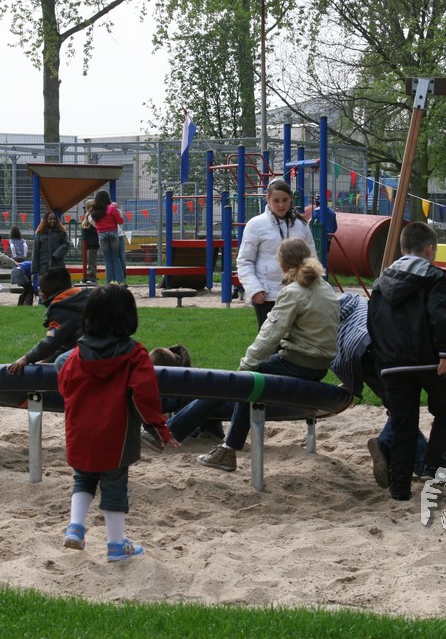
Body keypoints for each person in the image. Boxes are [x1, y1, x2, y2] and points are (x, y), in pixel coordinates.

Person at [158, 237, 338, 472]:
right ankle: (226, 448)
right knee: (245, 385)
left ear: (282, 264)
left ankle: (169, 432)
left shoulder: (294, 292)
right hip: (319, 366)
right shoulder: (324, 288)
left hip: (297, 364)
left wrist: (246, 365)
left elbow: (269, 335)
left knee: (236, 383)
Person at [54, 283, 177, 562]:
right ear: (128, 317)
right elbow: (145, 396)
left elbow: (63, 379)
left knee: (83, 477)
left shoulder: (74, 356)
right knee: (114, 485)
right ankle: (116, 545)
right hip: (116, 435)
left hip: (80, 432)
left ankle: (75, 528)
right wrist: (159, 427)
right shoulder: (135, 355)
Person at [367, 221, 446, 501]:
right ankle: (433, 466)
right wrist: (444, 352)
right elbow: (438, 316)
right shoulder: (434, 276)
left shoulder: (381, 282)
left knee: (403, 424)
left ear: (402, 249)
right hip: (428, 361)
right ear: (430, 250)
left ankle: (400, 489)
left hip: (392, 364)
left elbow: (373, 323)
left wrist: (383, 360)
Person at [330, 292, 428, 488]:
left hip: (356, 359)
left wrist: (349, 381)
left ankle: (421, 463)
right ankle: (392, 448)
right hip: (377, 349)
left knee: (399, 407)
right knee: (404, 407)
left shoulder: (328, 317)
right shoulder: (358, 302)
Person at [237, 178, 317, 328]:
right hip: (267, 295)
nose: (281, 205)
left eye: (285, 200)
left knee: (298, 337)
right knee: (270, 338)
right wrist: (254, 289)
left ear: (290, 199)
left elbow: (311, 258)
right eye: (276, 200)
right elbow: (244, 261)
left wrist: (312, 286)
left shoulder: (301, 224)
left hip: (298, 293)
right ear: (268, 199)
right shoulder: (255, 225)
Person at [7, 267, 92, 372]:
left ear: (43, 295)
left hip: (92, 350)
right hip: (96, 344)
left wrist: (27, 358)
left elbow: (52, 341)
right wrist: (46, 359)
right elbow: (66, 342)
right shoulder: (81, 297)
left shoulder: (62, 308)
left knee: (61, 362)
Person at [90, 190, 125, 284]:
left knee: (107, 260)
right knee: (115, 258)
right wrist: (117, 212)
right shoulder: (111, 208)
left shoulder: (94, 211)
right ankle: (120, 281)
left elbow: (93, 222)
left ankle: (109, 282)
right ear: (107, 198)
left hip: (102, 235)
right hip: (113, 234)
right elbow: (121, 221)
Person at [32, 210, 70, 279]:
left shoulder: (61, 232)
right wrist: (34, 269)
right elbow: (36, 251)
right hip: (44, 268)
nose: (52, 221)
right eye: (50, 219)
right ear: (46, 220)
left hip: (58, 266)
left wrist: (56, 255)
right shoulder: (40, 233)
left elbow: (66, 244)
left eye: (54, 219)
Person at [81, 201, 99, 283]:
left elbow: (92, 228)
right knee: (88, 260)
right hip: (88, 243)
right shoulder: (88, 216)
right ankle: (88, 276)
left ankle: (92, 276)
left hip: (93, 243)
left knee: (91, 261)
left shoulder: (93, 217)